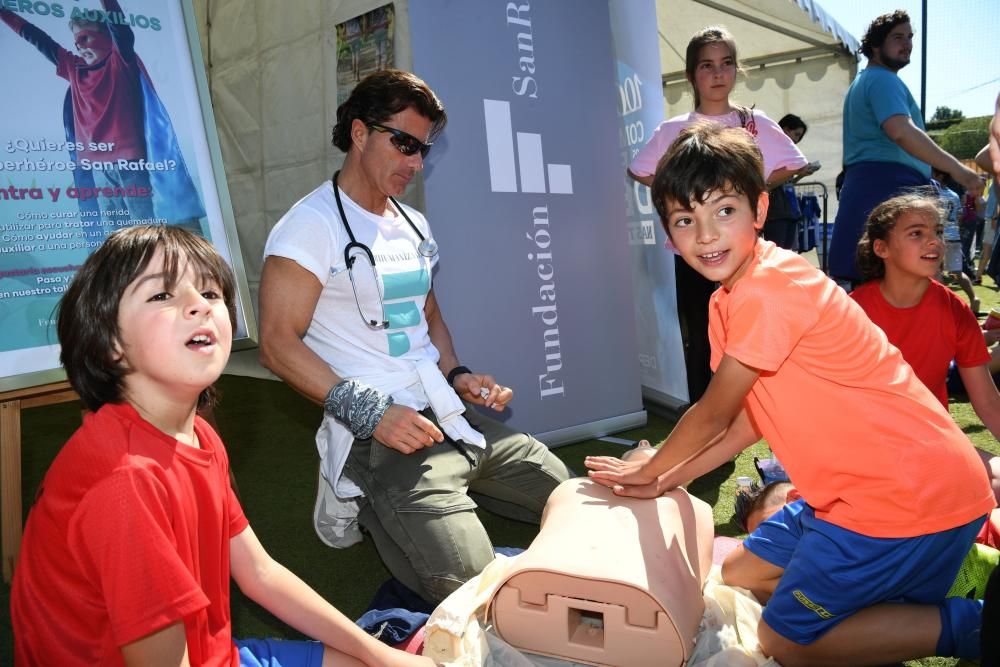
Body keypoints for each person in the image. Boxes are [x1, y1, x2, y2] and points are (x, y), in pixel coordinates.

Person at [585, 122, 993, 665]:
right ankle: (888, 591)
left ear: (758, 209)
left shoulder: (770, 289)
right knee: (737, 573)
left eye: (723, 212)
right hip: (858, 493)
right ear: (668, 232)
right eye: (686, 220)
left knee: (786, 645)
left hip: (902, 498)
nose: (706, 235)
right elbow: (750, 420)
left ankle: (974, 624)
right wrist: (665, 479)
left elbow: (712, 415)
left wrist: (650, 469)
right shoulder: (727, 300)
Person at [10, 225, 433, 666]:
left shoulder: (199, 434)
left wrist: (383, 657)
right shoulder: (125, 483)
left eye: (211, 293)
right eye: (162, 296)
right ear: (110, 345)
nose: (199, 305)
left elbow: (260, 573)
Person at [258, 69, 571, 605]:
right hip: (380, 435)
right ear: (359, 132)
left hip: (448, 414)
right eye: (404, 143)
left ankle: (401, 506)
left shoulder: (413, 224)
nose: (416, 162)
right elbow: (276, 343)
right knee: (471, 591)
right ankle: (358, 492)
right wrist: (371, 414)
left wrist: (459, 374)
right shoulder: (310, 226)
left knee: (574, 501)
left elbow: (428, 317)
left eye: (423, 148)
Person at [627, 26, 812, 402]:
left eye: (726, 64)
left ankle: (753, 411)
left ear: (736, 70)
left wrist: (749, 187)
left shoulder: (754, 123)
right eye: (707, 65)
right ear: (692, 74)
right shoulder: (673, 129)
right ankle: (704, 413)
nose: (717, 74)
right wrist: (683, 197)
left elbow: (795, 162)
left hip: (744, 251)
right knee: (700, 332)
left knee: (748, 330)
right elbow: (640, 168)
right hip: (693, 254)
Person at [0, 1, 205, 239]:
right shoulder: (73, 68)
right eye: (76, 41)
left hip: (130, 164)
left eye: (85, 38)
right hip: (98, 167)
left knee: (143, 229)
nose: (79, 46)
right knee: (115, 234)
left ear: (106, 36)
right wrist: (4, 13)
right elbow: (36, 37)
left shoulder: (120, 62)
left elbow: (121, 30)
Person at [827, 10, 983, 284]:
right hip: (887, 187)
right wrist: (959, 170)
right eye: (898, 37)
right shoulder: (882, 79)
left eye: (910, 37)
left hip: (876, 188)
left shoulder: (867, 80)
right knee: (893, 286)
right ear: (875, 45)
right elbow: (901, 131)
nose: (907, 43)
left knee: (873, 287)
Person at [851, 194, 1000, 435]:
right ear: (882, 248)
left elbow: (989, 403)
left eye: (938, 231)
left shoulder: (955, 310)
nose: (935, 242)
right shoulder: (852, 313)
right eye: (916, 233)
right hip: (867, 443)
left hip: (932, 440)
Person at [762, 114, 816, 250]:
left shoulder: (788, 153)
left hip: (790, 211)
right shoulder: (770, 150)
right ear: (785, 129)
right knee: (777, 253)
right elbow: (767, 184)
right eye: (796, 134)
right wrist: (793, 171)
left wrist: (800, 175)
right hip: (775, 213)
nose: (797, 140)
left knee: (787, 253)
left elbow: (787, 184)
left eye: (799, 137)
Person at [931, 168, 980, 312]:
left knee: (936, 272)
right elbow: (959, 216)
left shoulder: (935, 193)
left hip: (940, 236)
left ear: (939, 176)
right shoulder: (954, 195)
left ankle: (942, 305)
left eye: (933, 173)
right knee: (957, 272)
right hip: (954, 237)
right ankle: (973, 298)